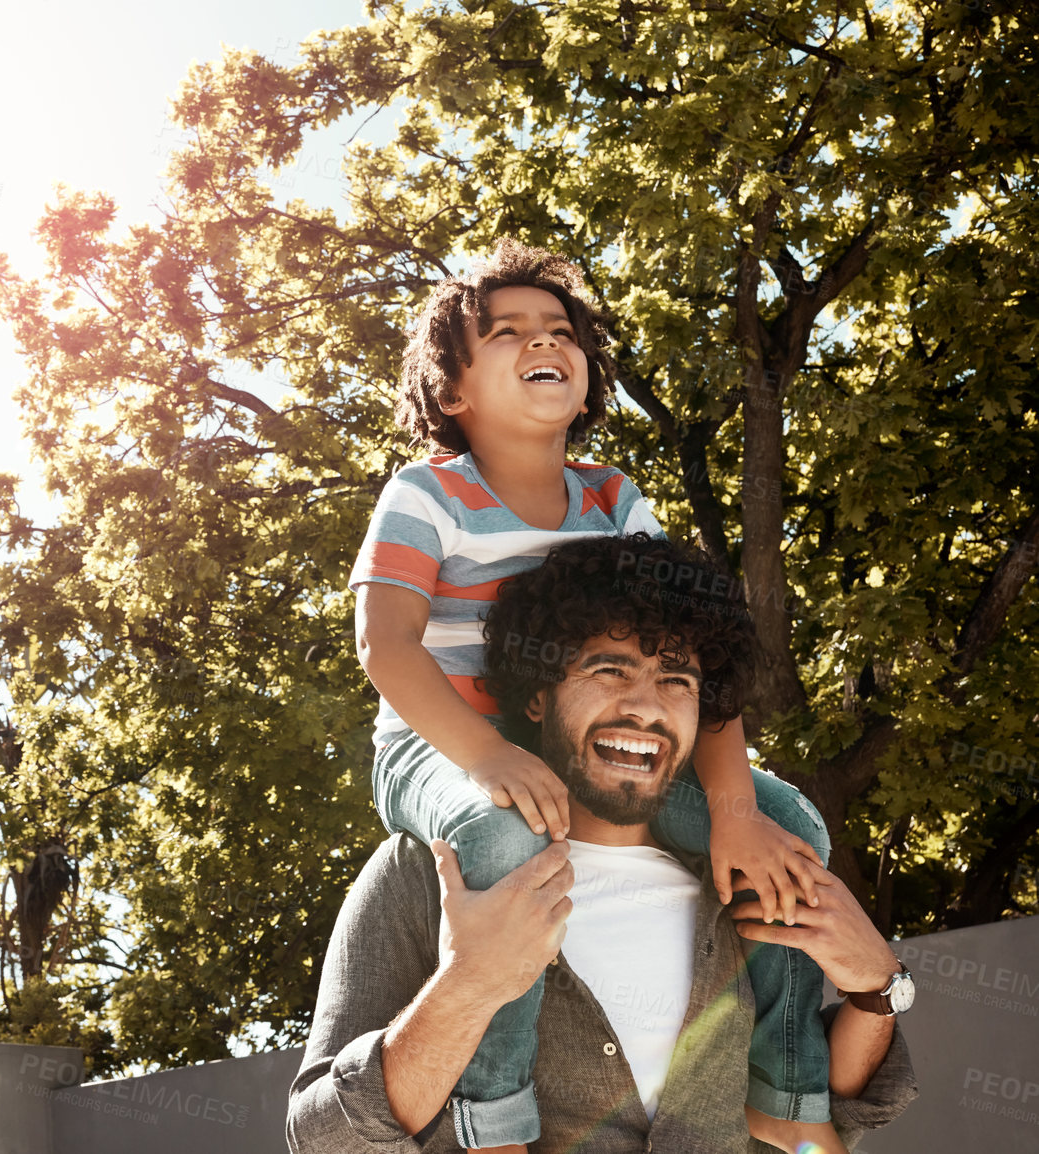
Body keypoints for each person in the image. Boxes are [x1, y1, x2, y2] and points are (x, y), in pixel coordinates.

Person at [351, 239, 841, 1149]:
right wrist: (488, 755)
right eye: (508, 331)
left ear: (585, 378)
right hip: (440, 746)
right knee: (506, 837)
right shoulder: (427, 495)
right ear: (452, 391)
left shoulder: (614, 498)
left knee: (795, 834)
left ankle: (790, 1089)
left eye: (561, 330)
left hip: (581, 740)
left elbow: (695, 648)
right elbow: (386, 647)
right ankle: (493, 1116)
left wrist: (733, 811)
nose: (545, 339)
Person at [288, 534, 919, 1152]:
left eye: (677, 682)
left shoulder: (752, 871)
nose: (645, 708)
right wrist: (469, 983)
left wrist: (876, 989)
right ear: (539, 697)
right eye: (609, 670)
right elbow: (324, 1141)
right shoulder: (428, 871)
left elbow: (830, 1123)